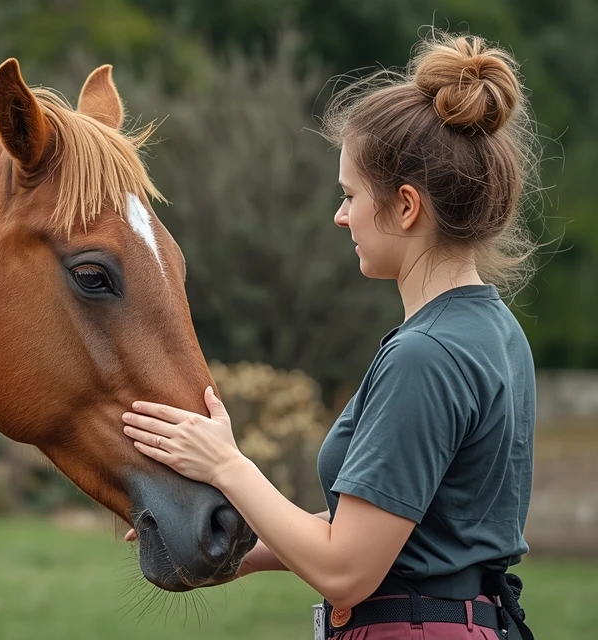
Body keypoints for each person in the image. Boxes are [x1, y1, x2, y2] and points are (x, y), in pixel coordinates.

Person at [122, 30, 540, 640]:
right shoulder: (494, 331)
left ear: (405, 207)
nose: (341, 216)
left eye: (349, 196)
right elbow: (377, 528)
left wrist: (225, 466)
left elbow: (346, 570)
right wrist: (224, 547)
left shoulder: (426, 356)